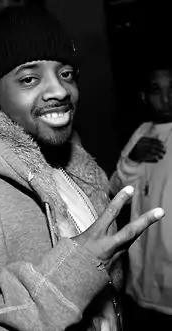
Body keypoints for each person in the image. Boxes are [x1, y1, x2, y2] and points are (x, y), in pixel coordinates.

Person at [0, 6, 164, 330]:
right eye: (29, 78)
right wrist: (70, 277)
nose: (59, 91)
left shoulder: (74, 168)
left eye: (66, 73)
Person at [110, 63, 172, 330]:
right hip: (143, 276)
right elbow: (114, 190)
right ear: (145, 96)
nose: (166, 98)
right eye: (157, 89)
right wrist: (132, 159)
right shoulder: (142, 131)